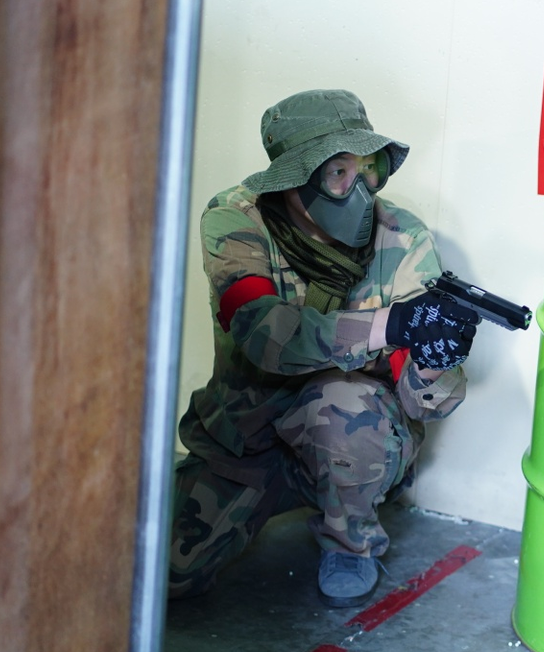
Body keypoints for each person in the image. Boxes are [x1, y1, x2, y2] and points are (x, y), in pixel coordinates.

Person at [168, 89, 479, 607]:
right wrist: (391, 324)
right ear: (294, 180)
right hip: (244, 437)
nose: (360, 188)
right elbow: (264, 333)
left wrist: (433, 359)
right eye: (338, 172)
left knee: (344, 402)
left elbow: (426, 402)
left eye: (369, 169)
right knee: (166, 575)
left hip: (348, 437)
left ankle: (351, 540)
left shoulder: (402, 237)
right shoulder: (237, 221)